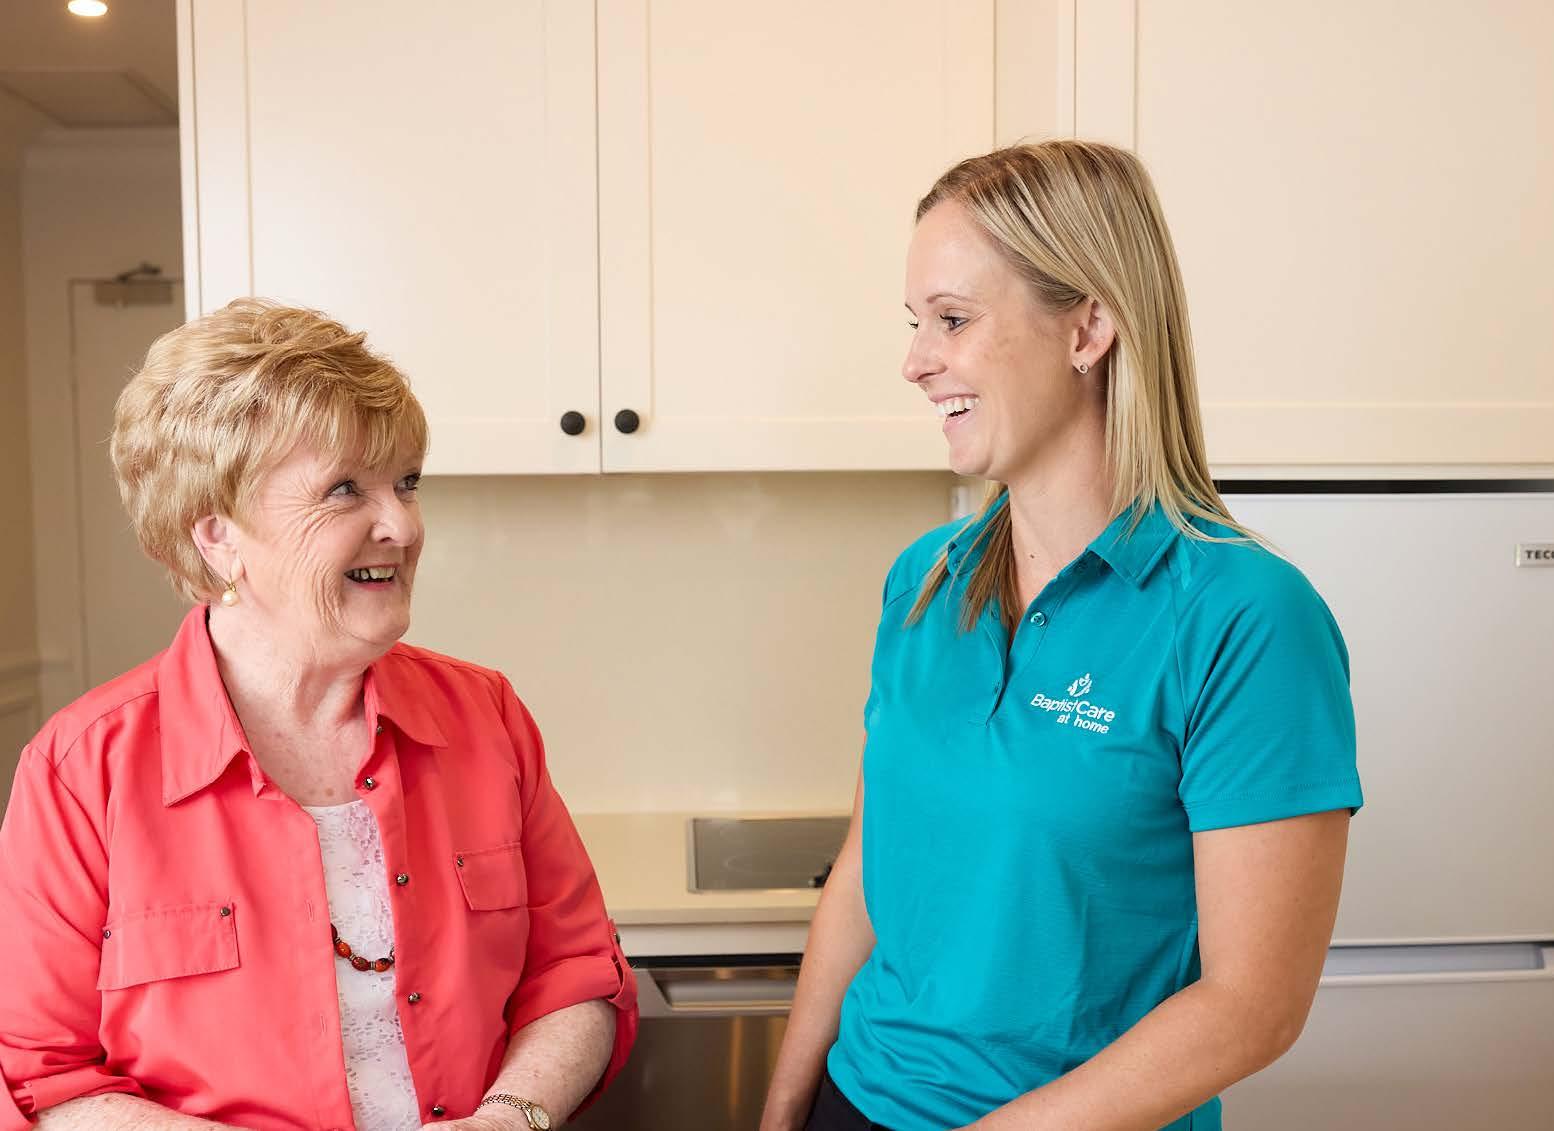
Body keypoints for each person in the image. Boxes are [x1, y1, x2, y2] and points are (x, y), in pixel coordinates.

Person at [761, 140, 1362, 1131]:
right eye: (915, 323)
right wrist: (783, 1110)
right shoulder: (924, 581)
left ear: (1087, 327)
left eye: (953, 319)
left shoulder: (1246, 618)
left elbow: (1253, 1006)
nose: (915, 361)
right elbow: (868, 869)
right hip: (856, 1099)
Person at [0, 300, 637, 1131]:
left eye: (406, 482)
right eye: (345, 490)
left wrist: (507, 1117)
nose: (401, 525)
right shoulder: (83, 770)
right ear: (218, 535)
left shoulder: (486, 717)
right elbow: (43, 1077)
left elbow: (579, 974)